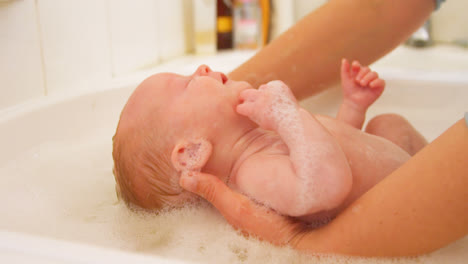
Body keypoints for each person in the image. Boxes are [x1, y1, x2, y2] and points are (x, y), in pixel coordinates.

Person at [112, 60, 427, 226]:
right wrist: (286, 115)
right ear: (192, 152)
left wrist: (353, 108)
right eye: (185, 83)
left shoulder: (263, 138)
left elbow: (336, 150)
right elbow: (328, 184)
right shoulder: (253, 174)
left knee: (387, 124)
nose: (202, 68)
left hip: (406, 175)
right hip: (411, 205)